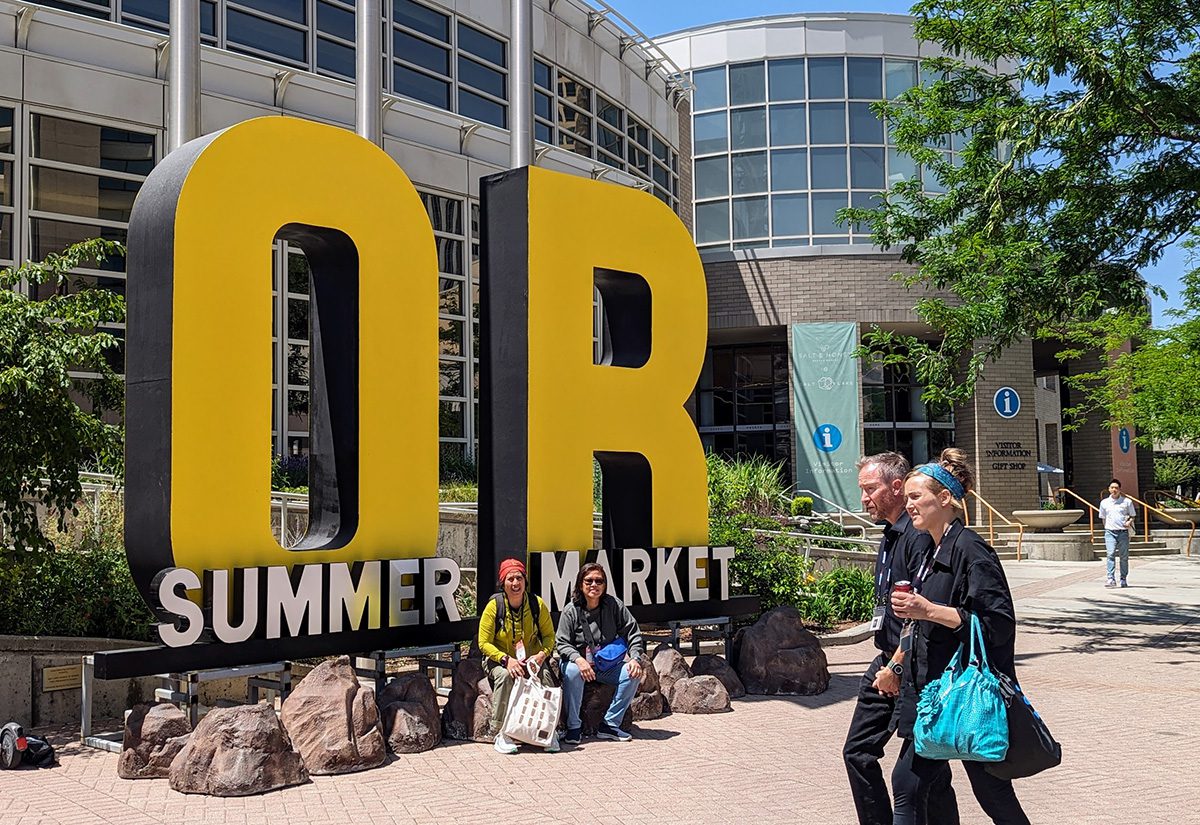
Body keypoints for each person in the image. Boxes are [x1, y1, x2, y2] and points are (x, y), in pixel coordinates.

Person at [890, 448, 1030, 825]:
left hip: (967, 696)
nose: (909, 506)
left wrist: (929, 611)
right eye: (906, 499)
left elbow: (998, 625)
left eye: (916, 497)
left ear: (945, 498)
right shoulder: (924, 547)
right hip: (931, 693)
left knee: (992, 793)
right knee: (908, 785)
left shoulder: (972, 550)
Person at [843, 453, 959, 825]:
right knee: (863, 753)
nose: (864, 498)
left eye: (870, 489)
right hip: (887, 659)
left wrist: (896, 664)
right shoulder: (892, 535)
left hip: (906, 663)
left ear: (896, 487)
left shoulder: (917, 538)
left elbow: (921, 612)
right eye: (862, 490)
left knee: (922, 773)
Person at [556, 562, 644, 744]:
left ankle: (610, 724)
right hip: (578, 663)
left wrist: (635, 658)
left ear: (605, 585)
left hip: (606, 665)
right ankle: (574, 726)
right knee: (572, 672)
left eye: (599, 581)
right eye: (589, 581)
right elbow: (562, 643)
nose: (594, 585)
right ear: (581, 584)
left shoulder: (614, 605)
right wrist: (578, 660)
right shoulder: (570, 610)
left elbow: (633, 632)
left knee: (632, 673)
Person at [477, 557, 558, 754]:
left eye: (519, 578)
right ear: (502, 583)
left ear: (525, 580)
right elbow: (483, 642)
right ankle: (501, 732)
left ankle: (547, 730)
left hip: (532, 660)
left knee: (547, 676)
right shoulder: (494, 606)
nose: (515, 583)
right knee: (506, 677)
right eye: (510, 579)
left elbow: (549, 636)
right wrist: (506, 660)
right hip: (500, 660)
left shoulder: (536, 604)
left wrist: (541, 655)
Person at [1099, 478, 1136, 588]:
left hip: (1123, 532)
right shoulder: (1104, 503)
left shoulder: (1127, 502)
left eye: (1116, 488)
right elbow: (1103, 517)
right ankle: (1111, 578)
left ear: (1120, 489)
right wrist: (1107, 528)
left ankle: (1123, 578)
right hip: (1110, 532)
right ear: (1109, 489)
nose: (1114, 489)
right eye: (1112, 487)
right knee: (1110, 554)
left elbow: (1132, 515)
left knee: (1123, 556)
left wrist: (1129, 522)